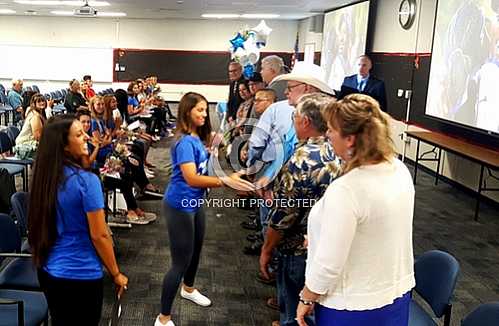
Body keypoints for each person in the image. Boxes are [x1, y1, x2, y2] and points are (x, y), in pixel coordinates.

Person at [296, 94, 415, 326]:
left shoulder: (347, 189)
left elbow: (329, 266)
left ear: (350, 139)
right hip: (394, 296)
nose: (327, 135)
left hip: (351, 306)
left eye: (330, 129)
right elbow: (377, 229)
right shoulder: (399, 169)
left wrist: (306, 296)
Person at [155, 92, 254, 326]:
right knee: (179, 262)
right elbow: (191, 178)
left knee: (196, 250)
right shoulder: (184, 142)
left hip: (195, 202)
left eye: (204, 109)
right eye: (199, 110)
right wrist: (225, 181)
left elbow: (209, 160)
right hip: (180, 204)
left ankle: (188, 289)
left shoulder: (196, 138)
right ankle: (163, 318)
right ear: (186, 111)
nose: (203, 114)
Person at [27, 114, 128, 326]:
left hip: (48, 270)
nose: (86, 137)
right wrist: (116, 273)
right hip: (80, 274)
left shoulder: (45, 176)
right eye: (79, 134)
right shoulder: (86, 182)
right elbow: (99, 235)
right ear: (64, 146)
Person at [259, 93, 342, 326]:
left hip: (298, 249)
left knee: (295, 313)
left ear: (305, 121)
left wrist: (267, 249)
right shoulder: (341, 151)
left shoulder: (303, 159)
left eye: (294, 116)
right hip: (329, 245)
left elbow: (284, 216)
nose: (293, 120)